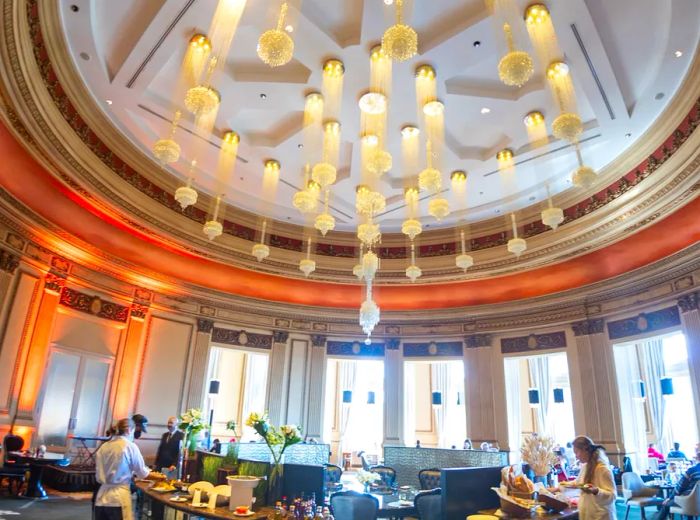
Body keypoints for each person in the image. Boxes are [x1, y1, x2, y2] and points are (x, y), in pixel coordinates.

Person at [95, 418, 153, 520]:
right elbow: (142, 473)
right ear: (129, 430)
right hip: (119, 498)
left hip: (101, 497)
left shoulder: (104, 447)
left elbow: (98, 473)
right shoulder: (130, 446)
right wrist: (160, 477)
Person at [572, 435, 617, 520]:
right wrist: (558, 487)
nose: (576, 456)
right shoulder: (585, 466)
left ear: (585, 449)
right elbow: (578, 483)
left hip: (600, 516)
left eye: (577, 452)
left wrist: (597, 491)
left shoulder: (602, 469)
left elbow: (613, 496)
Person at [652, 446, 700, 520]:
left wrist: (670, 498)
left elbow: (680, 487)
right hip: (696, 501)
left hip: (690, 501)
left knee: (666, 504)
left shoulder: (692, 471)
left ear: (697, 458)